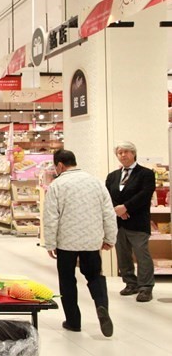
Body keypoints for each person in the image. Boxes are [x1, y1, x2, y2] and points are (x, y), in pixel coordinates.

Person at [44, 149, 117, 337]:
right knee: (95, 276)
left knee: (67, 280)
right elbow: (108, 212)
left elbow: (51, 217)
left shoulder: (57, 185)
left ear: (60, 165)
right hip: (92, 240)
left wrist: (50, 243)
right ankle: (101, 306)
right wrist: (110, 238)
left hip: (66, 242)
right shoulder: (95, 182)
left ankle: (73, 321)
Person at [105, 141, 156, 302]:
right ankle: (130, 283)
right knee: (123, 254)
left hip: (138, 221)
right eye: (119, 152)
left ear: (133, 153)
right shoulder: (113, 176)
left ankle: (145, 287)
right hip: (118, 222)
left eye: (126, 152)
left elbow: (145, 194)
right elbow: (107, 196)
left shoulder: (146, 173)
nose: (123, 155)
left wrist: (126, 207)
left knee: (142, 254)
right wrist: (117, 210)